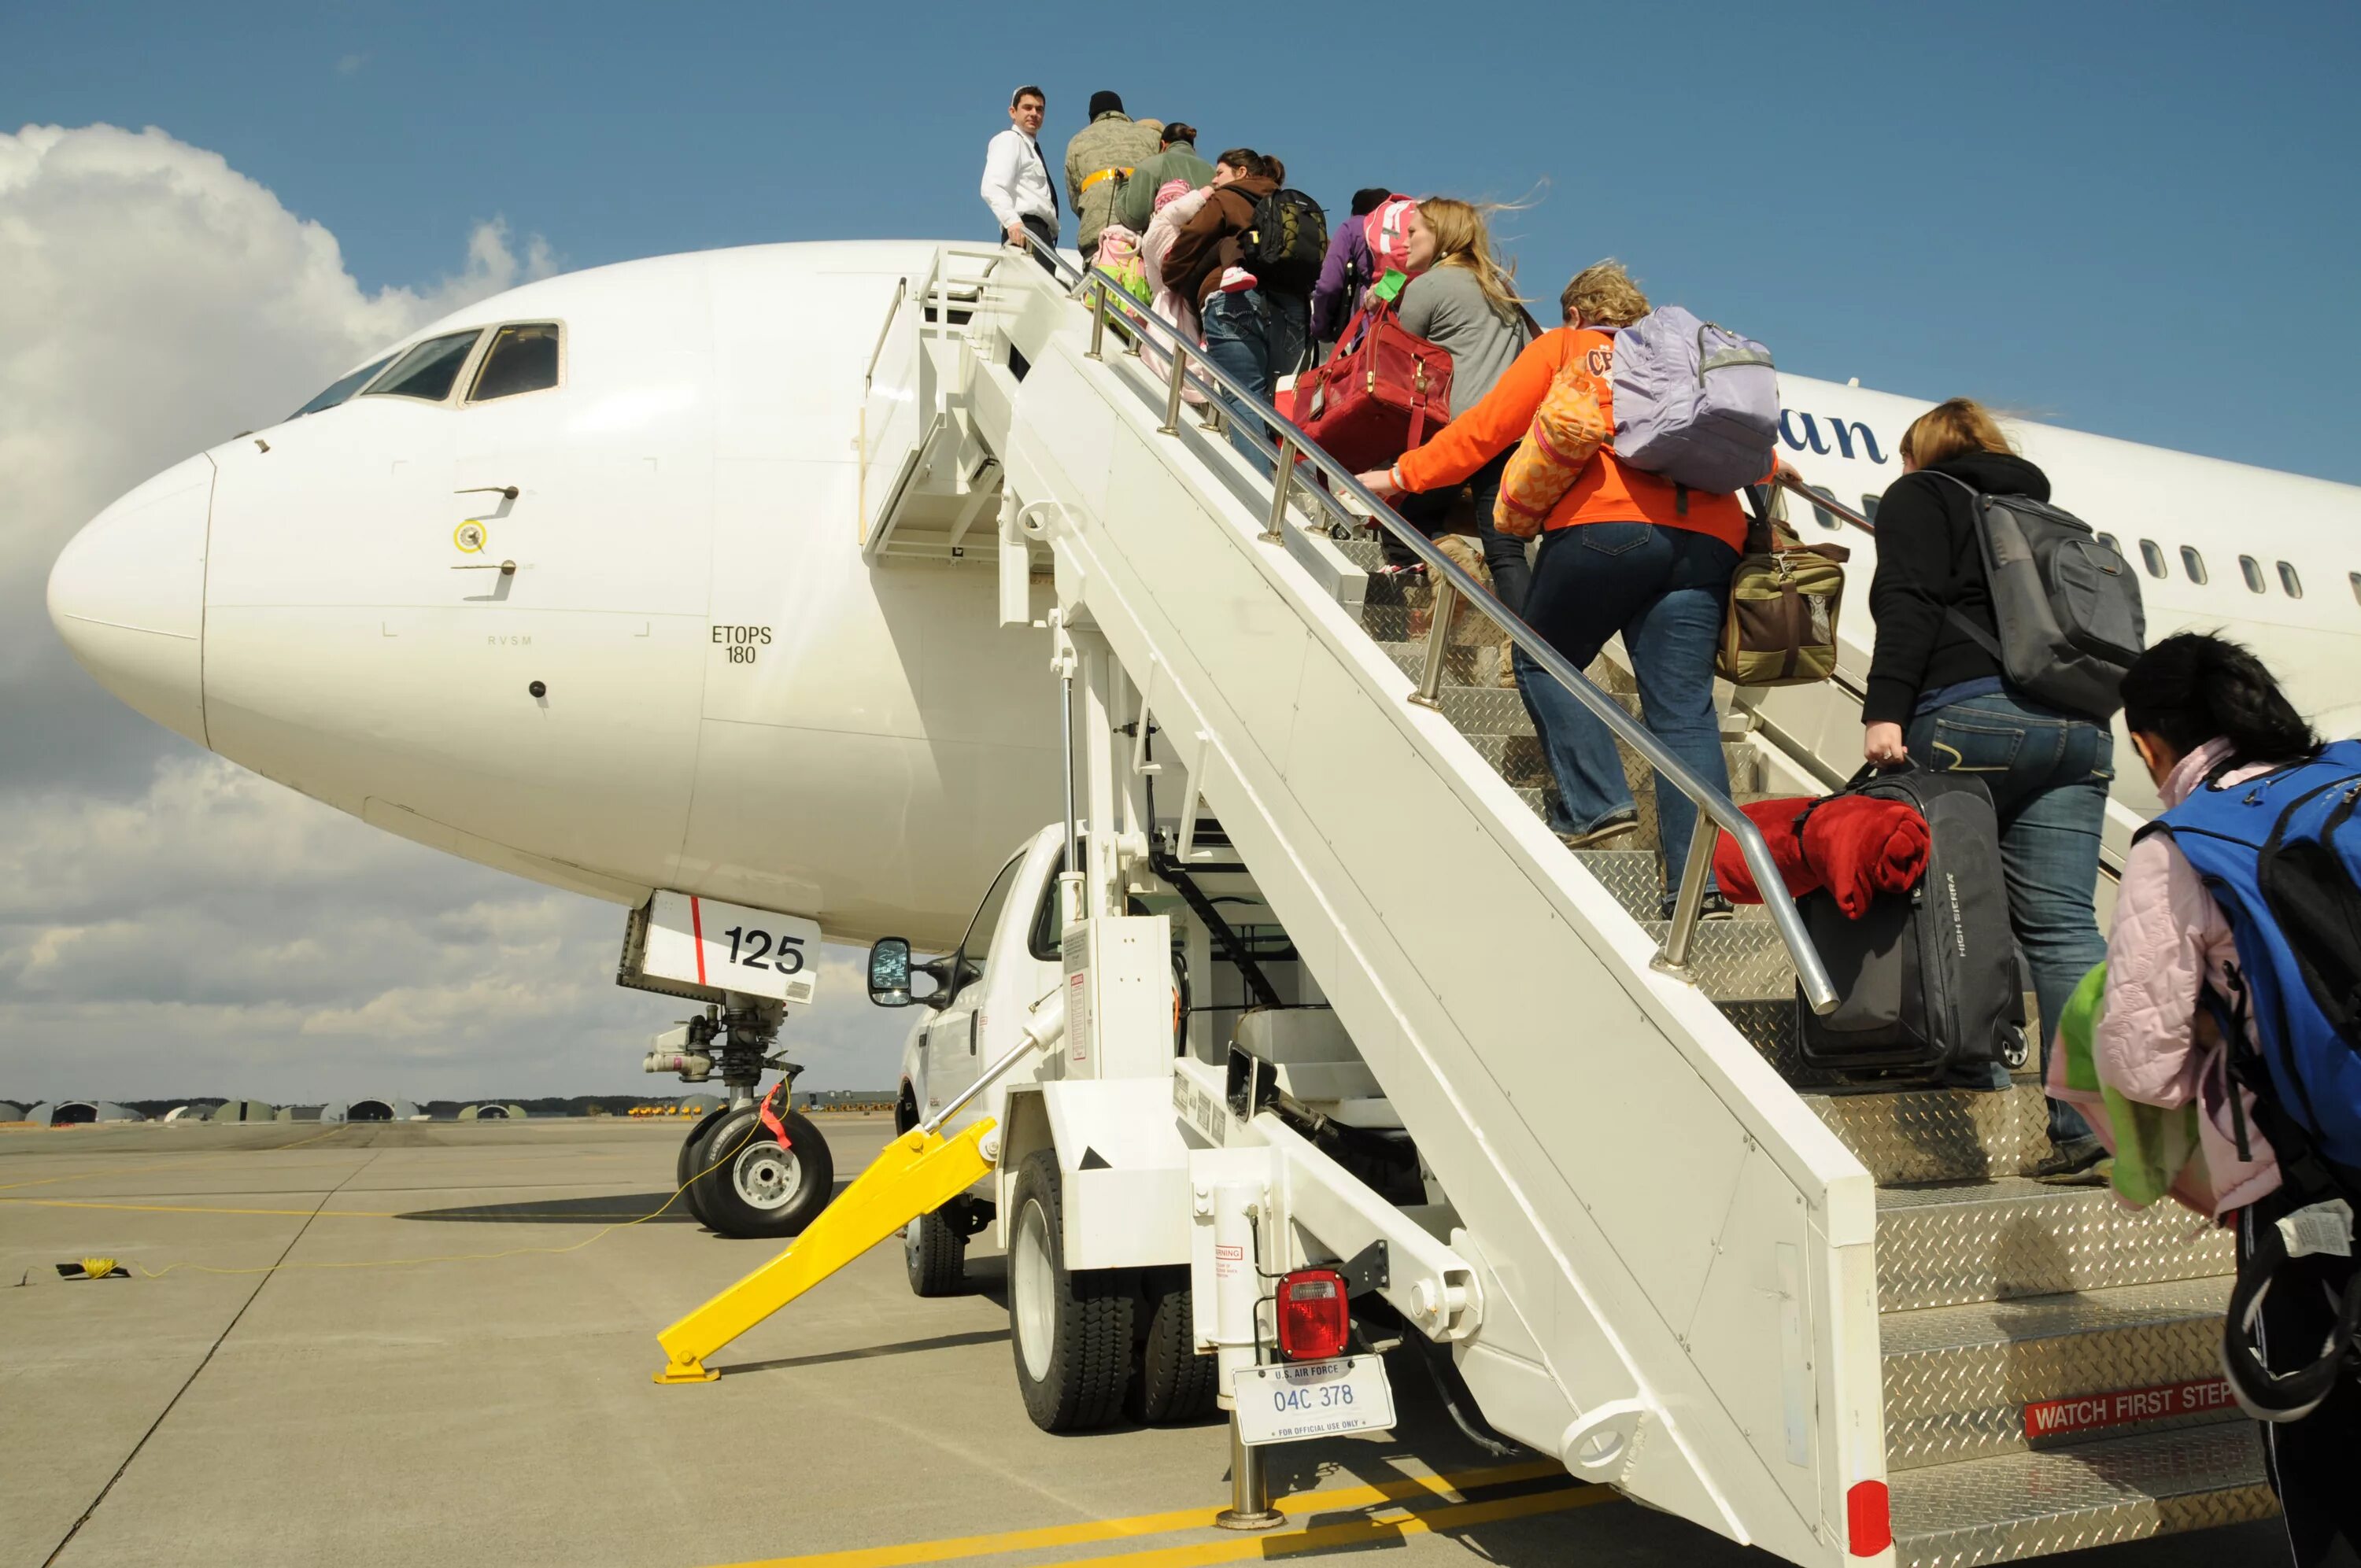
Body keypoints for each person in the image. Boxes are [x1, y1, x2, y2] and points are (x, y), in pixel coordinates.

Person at [1360, 261, 1779, 919]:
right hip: (1709, 543)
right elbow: (1758, 454)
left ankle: (1596, 802)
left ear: (1578, 314)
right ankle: (1700, 888)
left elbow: (1486, 431)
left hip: (1606, 528)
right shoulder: (1680, 362)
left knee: (1541, 656)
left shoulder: (1564, 346)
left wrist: (1401, 475)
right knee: (1685, 714)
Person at [2097, 633, 2358, 1567]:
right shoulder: (2352, 774)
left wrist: (2215, 1041)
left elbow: (2135, 1063)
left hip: (2312, 1186)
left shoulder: (2184, 844)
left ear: (2149, 747)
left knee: (2325, 1443)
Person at [1860, 397, 2112, 1159]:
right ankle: (2093, 1125)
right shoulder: (2047, 516)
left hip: (1973, 719)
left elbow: (1908, 601)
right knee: (2067, 929)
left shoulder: (1922, 495)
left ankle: (1966, 1069)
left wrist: (1885, 710)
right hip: (2080, 731)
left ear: (1921, 453)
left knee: (1945, 906)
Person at [1376, 198, 1537, 622]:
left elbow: (1395, 361)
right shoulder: (1501, 291)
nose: (1403, 239)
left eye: (1413, 232)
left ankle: (1450, 559)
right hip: (1507, 434)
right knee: (1505, 552)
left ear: (1441, 235)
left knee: (1403, 524)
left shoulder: (1428, 285)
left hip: (1453, 433)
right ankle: (1533, 654)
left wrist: (1377, 310)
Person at [1161, 150, 1307, 463]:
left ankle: (1258, 497)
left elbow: (1191, 238)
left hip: (1235, 300)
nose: (1214, 180)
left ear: (1241, 172)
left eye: (1220, 172)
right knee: (1272, 404)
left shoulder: (1226, 198)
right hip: (1291, 311)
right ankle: (1276, 484)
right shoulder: (1287, 206)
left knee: (1242, 398)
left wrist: (1172, 274)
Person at [1064, 90, 1160, 256]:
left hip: (1097, 234)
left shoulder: (1077, 141)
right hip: (1144, 232)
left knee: (1099, 278)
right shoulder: (1150, 136)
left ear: (1092, 116)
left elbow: (1074, 197)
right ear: (1122, 111)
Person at [981, 85, 1059, 267]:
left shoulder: (1030, 147)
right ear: (1013, 112)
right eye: (1028, 107)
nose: (1034, 113)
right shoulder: (1010, 139)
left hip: (1041, 235)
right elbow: (992, 186)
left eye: (1039, 109)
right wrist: (1013, 222)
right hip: (1025, 231)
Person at [1310, 187, 1394, 349]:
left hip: (1370, 332)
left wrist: (1321, 329)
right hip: (1412, 335)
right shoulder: (1410, 232)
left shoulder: (1354, 226)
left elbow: (1329, 285)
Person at [1115, 122, 1215, 234]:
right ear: (1194, 149)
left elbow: (1134, 218)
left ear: (1163, 145)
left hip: (1172, 248)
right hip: (1211, 247)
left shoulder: (1150, 166)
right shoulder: (1215, 172)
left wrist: (1123, 185)